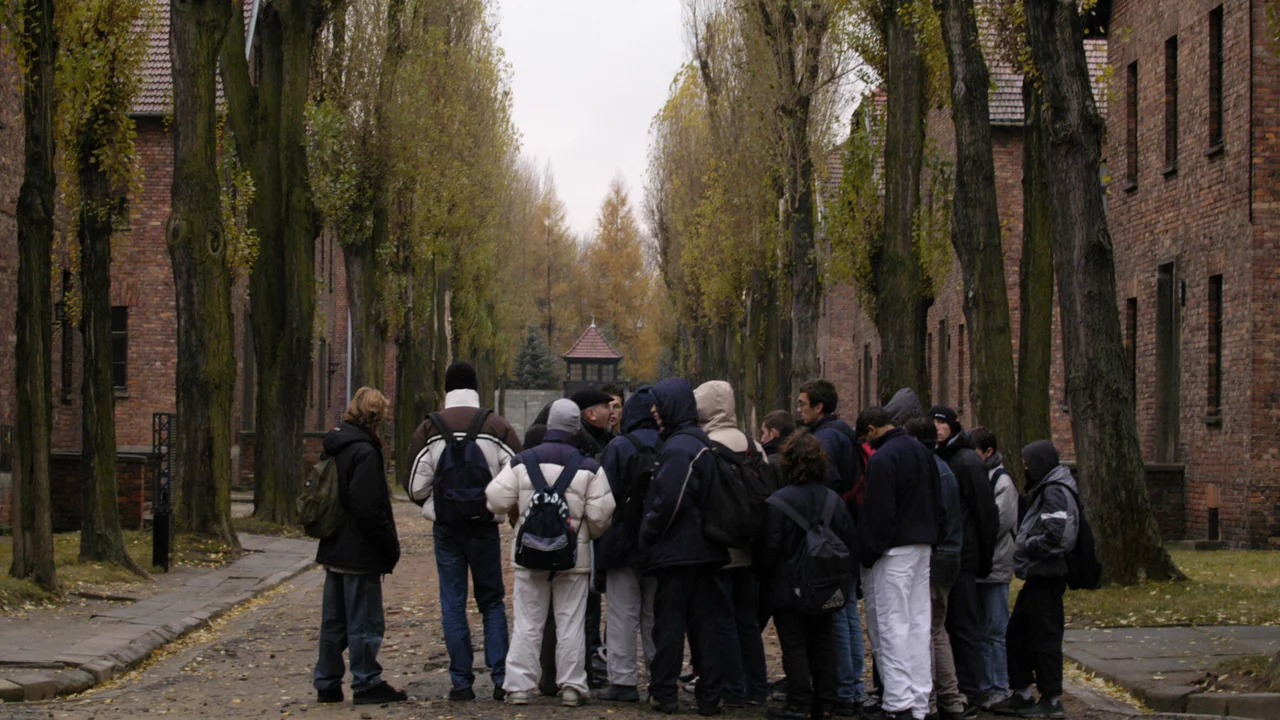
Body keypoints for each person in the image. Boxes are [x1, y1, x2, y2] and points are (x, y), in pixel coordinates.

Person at [486, 399, 615, 707]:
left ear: (549, 426)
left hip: (529, 556)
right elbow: (601, 516)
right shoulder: (588, 467)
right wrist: (582, 535)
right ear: (576, 427)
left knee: (528, 622)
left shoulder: (522, 460)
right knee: (570, 622)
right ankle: (572, 687)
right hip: (573, 559)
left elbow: (494, 500)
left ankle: (518, 686)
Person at [406, 362, 522, 702]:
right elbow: (518, 477)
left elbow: (414, 487)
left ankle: (461, 683)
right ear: (475, 386)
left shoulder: (429, 428)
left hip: (448, 529)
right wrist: (496, 507)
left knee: (453, 603)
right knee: (492, 602)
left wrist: (436, 508)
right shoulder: (497, 426)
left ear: (446, 389)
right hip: (484, 527)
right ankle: (502, 678)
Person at [639, 377, 731, 716]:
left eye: (658, 404)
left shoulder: (679, 448)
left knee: (670, 625)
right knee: (705, 626)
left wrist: (648, 534)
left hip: (679, 552)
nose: (653, 411)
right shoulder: (698, 442)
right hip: (703, 551)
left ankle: (664, 693)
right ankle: (709, 696)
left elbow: (668, 502)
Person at [313, 387, 408, 706]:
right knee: (364, 620)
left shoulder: (337, 445)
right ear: (376, 417)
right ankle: (367, 681)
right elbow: (367, 506)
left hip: (335, 544)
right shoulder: (365, 451)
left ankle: (327, 682)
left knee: (333, 621)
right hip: (360, 550)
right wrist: (389, 544)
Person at [758, 429, 858, 720]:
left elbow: (770, 548)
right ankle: (826, 701)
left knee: (794, 644)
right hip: (826, 583)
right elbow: (848, 540)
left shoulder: (777, 503)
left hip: (788, 584)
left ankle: (799, 701)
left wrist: (766, 580)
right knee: (823, 642)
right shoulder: (833, 500)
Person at [857, 405, 939, 720]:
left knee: (891, 626)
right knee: (918, 623)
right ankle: (919, 700)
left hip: (893, 552)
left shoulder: (883, 460)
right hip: (922, 545)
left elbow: (879, 513)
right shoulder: (923, 454)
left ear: (871, 430)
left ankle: (898, 702)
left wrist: (869, 551)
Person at [989, 441, 1078, 720]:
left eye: (1028, 463)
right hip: (1039, 574)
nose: (1025, 468)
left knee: (1044, 636)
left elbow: (1058, 534)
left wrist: (1027, 545)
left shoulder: (1054, 491)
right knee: (1019, 632)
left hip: (1047, 574)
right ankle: (1023, 693)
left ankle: (1050, 699)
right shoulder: (1048, 488)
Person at [696, 380, 770, 708]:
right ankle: (757, 686)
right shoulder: (753, 445)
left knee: (721, 619)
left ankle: (733, 687)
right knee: (748, 620)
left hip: (719, 545)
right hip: (751, 545)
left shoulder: (705, 444)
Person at [797, 379, 866, 715]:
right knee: (848, 612)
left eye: (802, 404)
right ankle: (853, 687)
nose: (798, 410)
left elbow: (829, 484)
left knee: (837, 615)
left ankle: (843, 689)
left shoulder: (824, 440)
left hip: (830, 540)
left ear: (818, 407)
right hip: (846, 534)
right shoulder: (844, 434)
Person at [928, 406, 999, 708]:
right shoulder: (943, 458)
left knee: (964, 625)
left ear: (953, 426)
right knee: (945, 625)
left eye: (942, 422)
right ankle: (955, 687)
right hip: (948, 554)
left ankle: (971, 688)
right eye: (933, 421)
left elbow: (986, 512)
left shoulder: (967, 461)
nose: (937, 426)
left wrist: (983, 557)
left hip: (964, 556)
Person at [595, 386, 662, 703]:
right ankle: (659, 675)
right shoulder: (668, 444)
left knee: (622, 611)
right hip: (659, 541)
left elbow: (604, 497)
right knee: (655, 613)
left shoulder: (619, 446)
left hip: (622, 540)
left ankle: (622, 681)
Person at [905, 417, 967, 720]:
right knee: (936, 630)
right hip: (949, 555)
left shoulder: (928, 471)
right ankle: (950, 700)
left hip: (935, 557)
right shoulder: (942, 469)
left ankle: (927, 700)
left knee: (924, 631)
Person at [572, 387, 616, 687]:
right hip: (587, 530)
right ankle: (587, 656)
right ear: (590, 413)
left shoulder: (604, 440)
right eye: (605, 407)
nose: (611, 412)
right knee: (586, 598)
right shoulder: (588, 444)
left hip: (596, 529)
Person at [972, 427, 1017, 709]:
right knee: (979, 630)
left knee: (994, 630)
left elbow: (1000, 521)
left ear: (987, 452)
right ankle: (983, 684)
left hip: (996, 565)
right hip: (980, 565)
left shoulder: (1001, 481)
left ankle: (998, 686)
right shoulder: (980, 476)